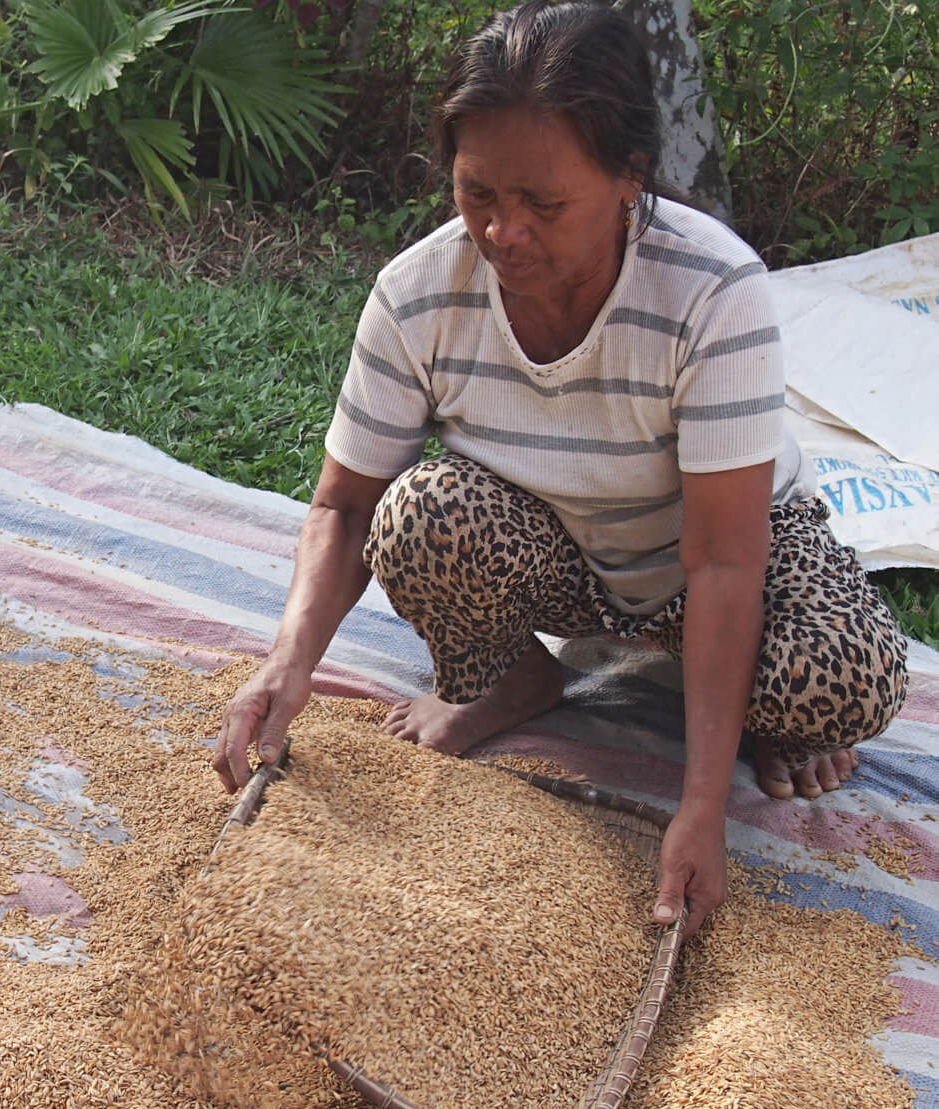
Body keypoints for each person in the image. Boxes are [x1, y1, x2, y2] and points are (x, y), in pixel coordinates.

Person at [210, 0, 908, 940]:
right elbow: (342, 508)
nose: (504, 233)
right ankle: (514, 681)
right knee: (422, 515)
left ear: (630, 179)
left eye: (544, 204)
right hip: (564, 556)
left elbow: (725, 561)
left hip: (727, 549)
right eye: (478, 195)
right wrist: (287, 665)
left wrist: (701, 806)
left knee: (845, 679)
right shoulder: (418, 295)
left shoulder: (713, 293)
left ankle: (758, 715)